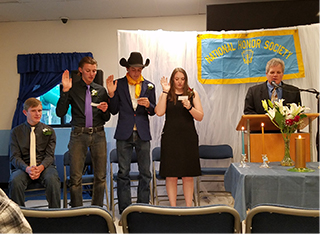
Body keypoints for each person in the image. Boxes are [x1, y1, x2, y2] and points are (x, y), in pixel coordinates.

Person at [106, 52, 156, 217]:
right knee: (123, 173)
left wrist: (149, 105)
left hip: (142, 133)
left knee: (145, 173)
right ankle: (126, 211)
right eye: (133, 69)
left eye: (139, 69)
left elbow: (153, 111)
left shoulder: (149, 86)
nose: (136, 72)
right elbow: (113, 110)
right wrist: (111, 94)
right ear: (127, 69)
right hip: (124, 133)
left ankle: (142, 209)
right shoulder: (118, 84)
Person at [56, 56, 110, 207]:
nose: (92, 74)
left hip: (98, 134)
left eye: (94, 71)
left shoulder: (100, 90)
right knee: (76, 177)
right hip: (78, 134)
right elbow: (60, 113)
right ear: (81, 71)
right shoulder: (72, 88)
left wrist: (105, 110)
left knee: (100, 176)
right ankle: (77, 210)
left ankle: (97, 209)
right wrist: (65, 91)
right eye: (88, 70)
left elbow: (106, 117)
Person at [155, 67, 204, 207]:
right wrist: (165, 91)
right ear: (172, 79)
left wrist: (189, 107)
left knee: (188, 174)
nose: (180, 82)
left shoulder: (192, 93)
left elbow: (200, 116)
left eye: (182, 79)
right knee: (171, 175)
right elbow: (159, 112)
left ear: (186, 79)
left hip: (188, 138)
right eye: (177, 79)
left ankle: (189, 206)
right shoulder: (167, 94)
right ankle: (173, 207)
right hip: (170, 138)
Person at [9, 98, 61, 208]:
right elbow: (14, 157)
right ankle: (20, 215)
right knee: (15, 181)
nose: (38, 114)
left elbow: (50, 155)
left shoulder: (49, 131)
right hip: (24, 168)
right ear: (25, 112)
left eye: (40, 110)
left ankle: (55, 214)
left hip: (45, 167)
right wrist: (27, 168)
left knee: (52, 179)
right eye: (33, 111)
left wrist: (41, 167)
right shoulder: (16, 132)